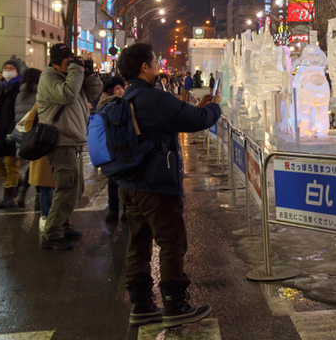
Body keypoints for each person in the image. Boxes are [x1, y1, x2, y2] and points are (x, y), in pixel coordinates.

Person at [116, 43, 221, 328]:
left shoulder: (129, 96)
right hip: (157, 184)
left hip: (131, 183)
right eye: (154, 61)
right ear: (144, 67)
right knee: (172, 242)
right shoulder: (154, 98)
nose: (158, 65)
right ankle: (175, 304)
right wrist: (214, 106)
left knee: (137, 244)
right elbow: (198, 120)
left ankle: (141, 305)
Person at [37, 44, 102, 250]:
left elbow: (93, 93)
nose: (72, 65)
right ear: (55, 64)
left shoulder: (70, 76)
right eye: (67, 62)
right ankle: (52, 234)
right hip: (60, 141)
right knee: (67, 190)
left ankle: (63, 226)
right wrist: (76, 70)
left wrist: (89, 73)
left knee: (76, 188)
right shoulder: (49, 78)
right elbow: (68, 95)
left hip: (73, 140)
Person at [0, 60, 23, 209]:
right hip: (0, 130)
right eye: (5, 67)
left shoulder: (19, 88)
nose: (8, 70)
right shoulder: (4, 87)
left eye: (11, 68)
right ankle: (15, 183)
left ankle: (9, 195)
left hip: (13, 130)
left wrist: (14, 129)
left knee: (11, 163)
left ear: (18, 71)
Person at [97, 76, 128, 223]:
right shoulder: (110, 103)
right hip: (113, 146)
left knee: (119, 179)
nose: (121, 91)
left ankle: (120, 211)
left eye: (123, 87)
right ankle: (115, 210)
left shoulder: (116, 102)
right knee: (116, 180)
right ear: (110, 90)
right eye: (117, 88)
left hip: (118, 145)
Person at [12, 67, 41, 208]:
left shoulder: (20, 95)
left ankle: (23, 192)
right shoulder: (40, 95)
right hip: (36, 136)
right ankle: (36, 198)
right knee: (38, 168)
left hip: (22, 135)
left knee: (32, 166)